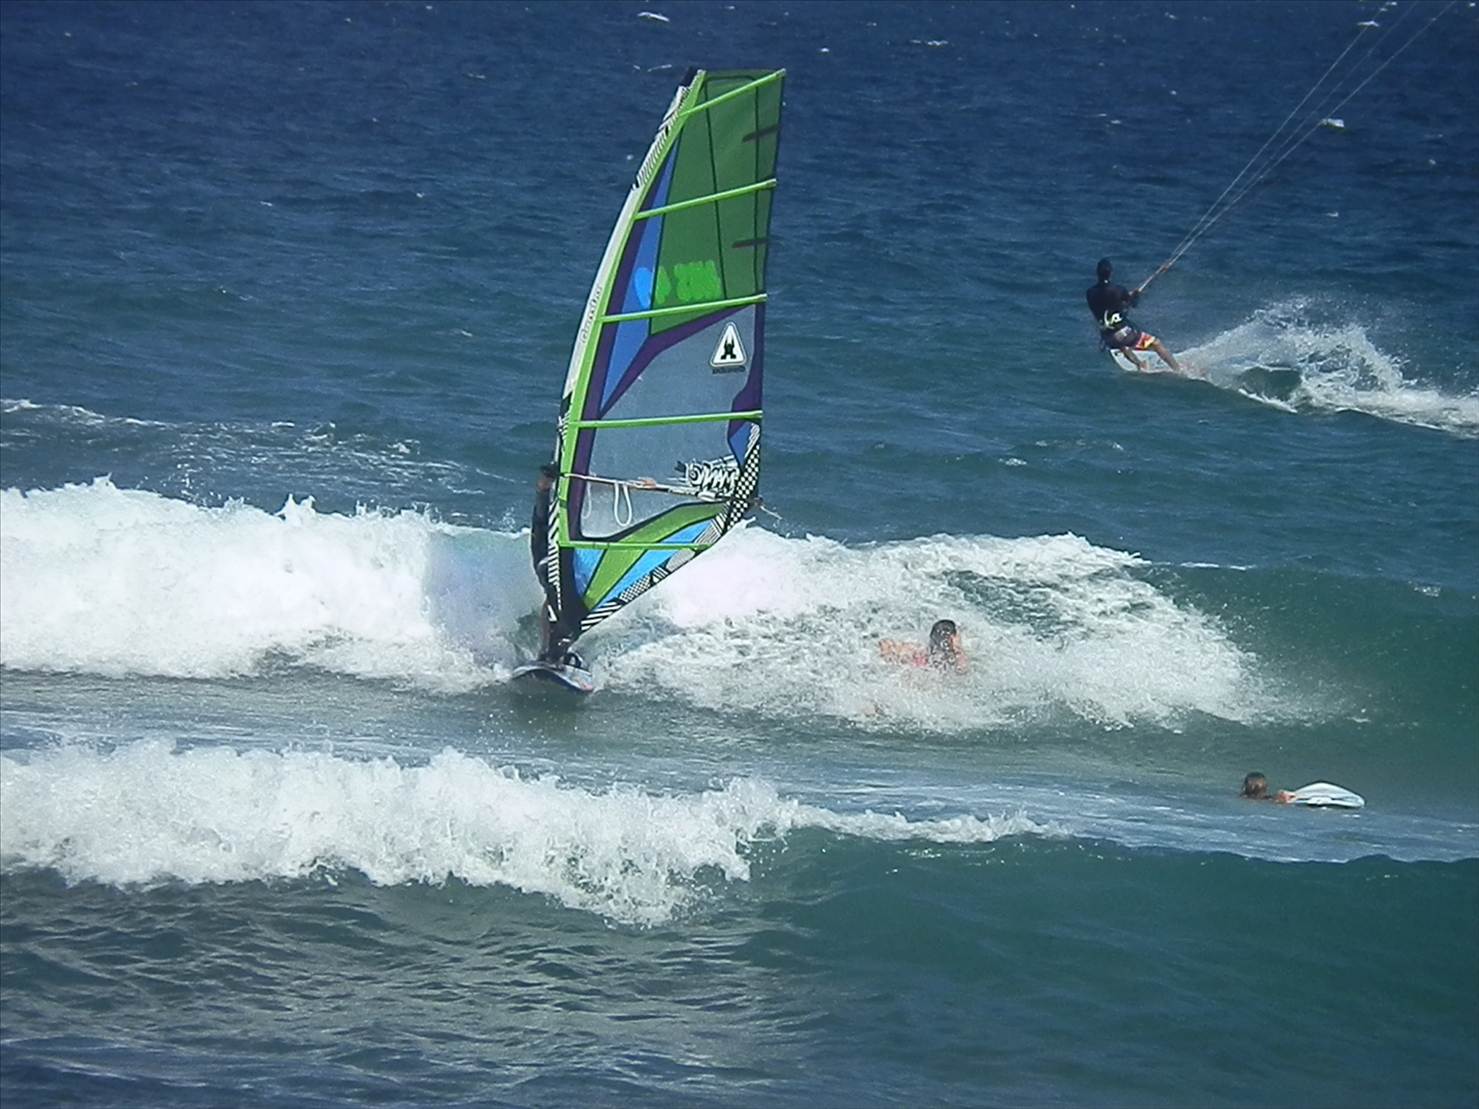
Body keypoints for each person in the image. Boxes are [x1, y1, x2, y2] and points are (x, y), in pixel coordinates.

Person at [1086, 258, 1182, 373]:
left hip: (1107, 336)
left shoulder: (1090, 293)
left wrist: (1128, 297)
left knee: (1122, 345)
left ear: (1097, 273)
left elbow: (1107, 303)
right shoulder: (1118, 290)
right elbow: (1132, 304)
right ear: (1111, 273)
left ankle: (1140, 364)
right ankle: (1178, 369)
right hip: (1123, 334)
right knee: (1156, 343)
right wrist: (1135, 296)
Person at [530, 462, 582, 668]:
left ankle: (555, 651)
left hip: (565, 549)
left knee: (565, 601)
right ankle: (547, 651)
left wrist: (635, 487)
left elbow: (596, 485)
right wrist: (546, 482)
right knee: (553, 593)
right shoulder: (546, 511)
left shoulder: (578, 483)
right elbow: (541, 508)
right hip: (546, 551)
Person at [879, 619, 967, 673]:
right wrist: (957, 647)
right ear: (952, 638)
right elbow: (963, 670)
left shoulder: (918, 651)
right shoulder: (957, 658)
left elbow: (884, 643)